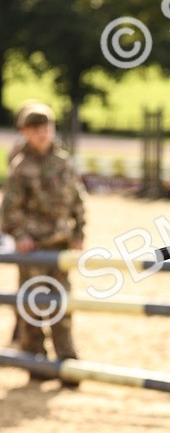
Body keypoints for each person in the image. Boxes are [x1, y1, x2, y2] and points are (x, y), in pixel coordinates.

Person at [0, 102, 86, 382]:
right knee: (34, 304)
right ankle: (35, 359)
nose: (42, 134)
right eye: (36, 129)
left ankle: (66, 359)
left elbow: (77, 200)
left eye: (46, 128)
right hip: (34, 249)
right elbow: (10, 211)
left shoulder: (63, 162)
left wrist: (79, 232)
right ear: (24, 131)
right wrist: (22, 235)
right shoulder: (20, 168)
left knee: (62, 301)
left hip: (60, 245)